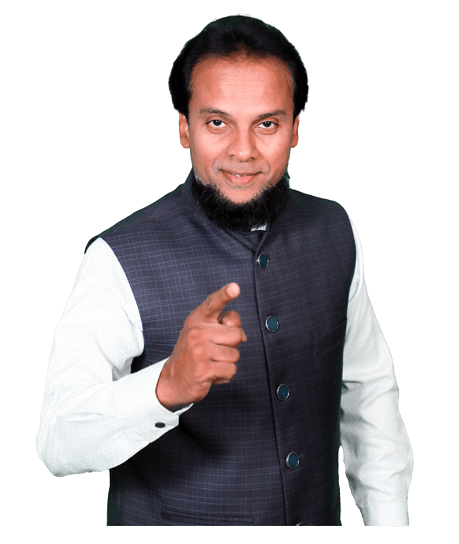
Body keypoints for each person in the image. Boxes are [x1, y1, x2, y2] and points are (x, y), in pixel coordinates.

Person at [36, 14, 413, 526]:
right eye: (218, 123)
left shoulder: (336, 229)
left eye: (267, 124)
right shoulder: (117, 256)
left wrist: (389, 518)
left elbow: (369, 393)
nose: (243, 151)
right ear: (184, 128)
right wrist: (166, 386)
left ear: (295, 129)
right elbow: (58, 443)